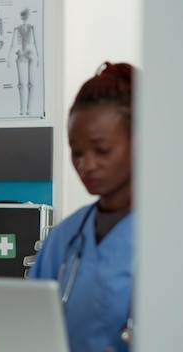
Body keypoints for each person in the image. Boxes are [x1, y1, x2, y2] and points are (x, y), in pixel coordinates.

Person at [29, 62, 135, 352]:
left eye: (102, 150)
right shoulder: (64, 239)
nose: (85, 165)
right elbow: (30, 328)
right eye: (77, 152)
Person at [6, 8, 39, 116]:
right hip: (19, 55)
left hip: (28, 55)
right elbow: (12, 44)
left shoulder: (31, 28)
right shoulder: (17, 29)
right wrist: (9, 58)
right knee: (20, 83)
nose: (23, 18)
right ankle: (21, 108)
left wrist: (37, 57)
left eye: (24, 16)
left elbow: (33, 43)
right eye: (22, 16)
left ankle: (28, 108)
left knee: (28, 83)